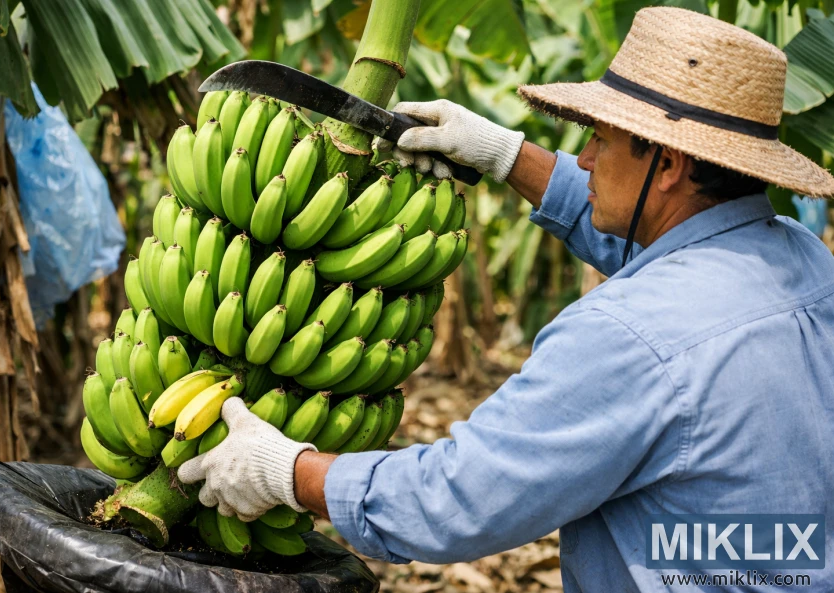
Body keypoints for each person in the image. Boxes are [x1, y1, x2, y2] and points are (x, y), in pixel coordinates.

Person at [179, 7, 834, 590]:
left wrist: (288, 472)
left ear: (666, 166)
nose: (582, 158)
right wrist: (502, 152)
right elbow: (665, 249)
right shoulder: (803, 264)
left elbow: (457, 499)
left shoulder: (629, 338)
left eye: (600, 138)